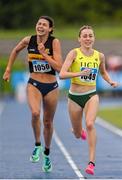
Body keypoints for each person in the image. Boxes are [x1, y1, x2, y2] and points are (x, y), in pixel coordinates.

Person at [3, 15, 62, 172]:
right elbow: (15, 50)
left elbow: (59, 67)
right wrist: (8, 69)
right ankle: (37, 145)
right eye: (38, 23)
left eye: (44, 24)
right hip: (34, 83)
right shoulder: (29, 40)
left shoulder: (54, 42)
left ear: (50, 29)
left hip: (51, 86)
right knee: (35, 113)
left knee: (48, 122)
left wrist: (44, 54)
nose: (40, 26)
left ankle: (47, 154)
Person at [59, 25, 118, 175]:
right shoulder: (74, 53)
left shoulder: (99, 56)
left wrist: (110, 81)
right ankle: (78, 130)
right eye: (84, 36)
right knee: (78, 134)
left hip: (91, 94)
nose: (87, 38)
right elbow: (62, 74)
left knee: (91, 123)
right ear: (79, 39)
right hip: (74, 97)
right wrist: (79, 73)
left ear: (94, 38)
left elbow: (103, 72)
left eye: (90, 36)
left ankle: (91, 163)